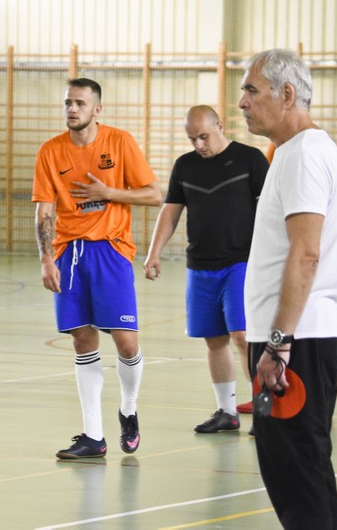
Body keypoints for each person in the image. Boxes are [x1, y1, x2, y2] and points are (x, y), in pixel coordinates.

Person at [239, 49, 337, 529]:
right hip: (298, 339)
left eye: (251, 90)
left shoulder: (305, 155)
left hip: (296, 342)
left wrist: (278, 343)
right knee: (301, 470)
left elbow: (306, 254)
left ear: (287, 95)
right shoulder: (293, 153)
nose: (242, 101)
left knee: (297, 475)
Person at [32, 78, 162, 459]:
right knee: (83, 341)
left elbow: (154, 195)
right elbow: (44, 208)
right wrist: (45, 258)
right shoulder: (50, 152)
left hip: (112, 250)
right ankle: (93, 436)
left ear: (97, 109)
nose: (72, 109)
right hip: (68, 253)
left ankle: (129, 408)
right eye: (68, 102)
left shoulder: (120, 143)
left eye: (80, 103)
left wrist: (109, 193)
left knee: (126, 342)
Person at [144, 105, 268, 434]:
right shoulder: (185, 166)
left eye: (204, 136)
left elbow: (271, 208)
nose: (199, 144)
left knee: (242, 335)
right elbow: (170, 211)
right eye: (192, 138)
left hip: (241, 262)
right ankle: (226, 412)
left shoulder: (250, 160)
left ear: (220, 126)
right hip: (200, 266)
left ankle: (263, 408)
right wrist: (154, 252)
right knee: (214, 340)